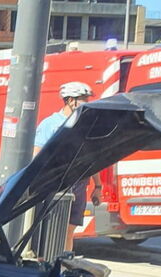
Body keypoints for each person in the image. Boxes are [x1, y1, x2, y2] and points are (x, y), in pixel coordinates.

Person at [33, 81, 102, 254]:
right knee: (53, 228)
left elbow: (91, 158)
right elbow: (37, 155)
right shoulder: (50, 124)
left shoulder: (85, 123)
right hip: (57, 183)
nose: (87, 101)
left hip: (79, 182)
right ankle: (49, 262)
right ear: (71, 100)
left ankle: (63, 264)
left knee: (69, 230)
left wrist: (98, 186)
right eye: (84, 98)